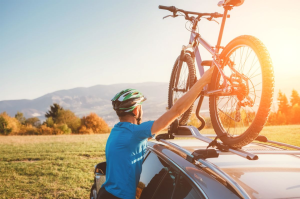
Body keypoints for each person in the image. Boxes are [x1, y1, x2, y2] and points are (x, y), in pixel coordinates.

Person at [98, 66, 214, 199]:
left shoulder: (117, 131)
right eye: (141, 107)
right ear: (136, 111)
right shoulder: (134, 133)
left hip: (106, 193)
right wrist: (203, 81)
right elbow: (176, 111)